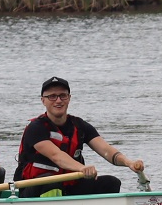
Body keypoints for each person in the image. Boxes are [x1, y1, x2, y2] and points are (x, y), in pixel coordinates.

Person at [14, 77, 146, 197]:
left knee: (111, 182)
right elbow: (57, 156)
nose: (58, 100)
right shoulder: (35, 128)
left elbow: (106, 150)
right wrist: (82, 168)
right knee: (52, 184)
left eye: (63, 96)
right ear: (43, 101)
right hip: (33, 189)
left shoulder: (79, 126)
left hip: (67, 187)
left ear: (69, 98)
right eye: (52, 96)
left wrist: (129, 163)